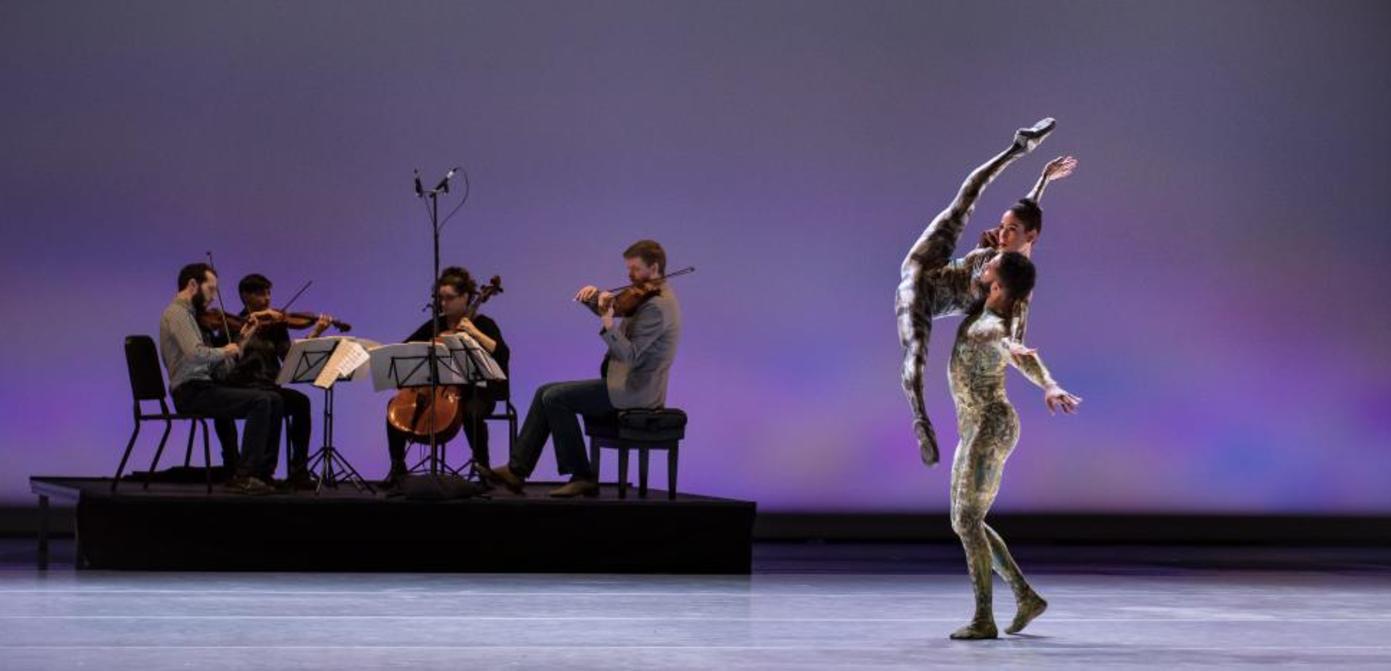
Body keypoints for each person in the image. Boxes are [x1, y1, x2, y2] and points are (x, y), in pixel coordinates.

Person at [895, 118, 1079, 467]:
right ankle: (1016, 148)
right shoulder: (1005, 252)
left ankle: (921, 419)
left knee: (917, 349)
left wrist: (1039, 374)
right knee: (963, 203)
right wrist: (1042, 181)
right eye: (1003, 228)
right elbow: (1022, 221)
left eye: (1011, 231)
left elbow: (1013, 341)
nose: (1002, 232)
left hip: (924, 294)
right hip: (924, 270)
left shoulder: (1014, 285)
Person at [944, 253, 1079, 639]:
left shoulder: (992, 325)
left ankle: (984, 619)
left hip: (991, 426)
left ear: (998, 286)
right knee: (963, 521)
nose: (983, 267)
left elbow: (1008, 345)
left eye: (990, 268)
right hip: (975, 429)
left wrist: (1048, 382)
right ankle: (1025, 596)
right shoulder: (988, 308)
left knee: (968, 521)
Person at [488, 240, 681, 498]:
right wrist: (592, 300)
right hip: (620, 384)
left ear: (654, 267)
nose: (629, 275)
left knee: (556, 398)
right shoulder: (646, 298)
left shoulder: (658, 306)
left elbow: (631, 355)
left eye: (635, 269)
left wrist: (607, 323)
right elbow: (618, 309)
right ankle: (517, 469)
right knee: (545, 390)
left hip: (635, 392)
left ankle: (582, 476)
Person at [157, 263, 282, 495]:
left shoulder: (194, 317)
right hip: (190, 392)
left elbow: (220, 370)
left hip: (205, 386)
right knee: (261, 401)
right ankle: (243, 476)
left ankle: (262, 473)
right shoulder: (177, 314)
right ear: (193, 285)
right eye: (211, 289)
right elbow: (196, 355)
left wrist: (242, 341)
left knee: (273, 399)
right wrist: (227, 350)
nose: (214, 297)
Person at [384, 266, 510, 485]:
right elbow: (405, 348)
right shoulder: (436, 324)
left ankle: (483, 469)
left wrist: (474, 333)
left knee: (471, 412)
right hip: (439, 391)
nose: (443, 304)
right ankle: (398, 468)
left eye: (449, 298)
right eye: (440, 298)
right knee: (395, 407)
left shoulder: (483, 324)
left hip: (477, 391)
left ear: (466, 297)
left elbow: (502, 353)